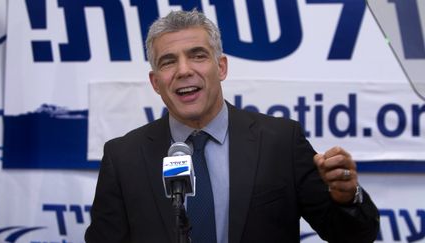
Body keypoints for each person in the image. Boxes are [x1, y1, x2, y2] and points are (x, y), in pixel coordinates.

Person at [85, 9, 379, 243]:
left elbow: (352, 236)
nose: (184, 70)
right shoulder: (123, 157)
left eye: (198, 56)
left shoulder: (280, 142)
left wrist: (347, 199)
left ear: (221, 67)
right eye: (168, 62)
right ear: (155, 82)